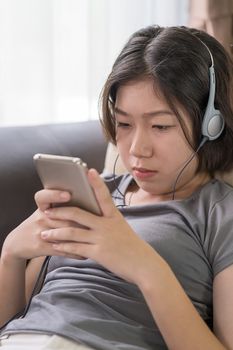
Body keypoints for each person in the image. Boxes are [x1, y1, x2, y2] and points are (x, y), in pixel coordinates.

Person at [0, 24, 233, 350]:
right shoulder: (90, 192)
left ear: (212, 122)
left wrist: (147, 269)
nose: (137, 148)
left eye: (160, 126)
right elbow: (16, 318)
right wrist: (11, 252)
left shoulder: (220, 214)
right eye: (123, 123)